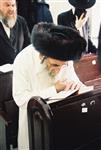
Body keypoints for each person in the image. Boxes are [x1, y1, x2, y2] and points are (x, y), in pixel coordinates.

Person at [13, 22, 93, 150]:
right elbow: (20, 98)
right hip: (34, 123)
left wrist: (80, 88)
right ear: (42, 56)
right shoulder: (23, 60)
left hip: (61, 118)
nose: (59, 70)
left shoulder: (64, 56)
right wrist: (54, 89)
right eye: (55, 65)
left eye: (64, 65)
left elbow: (73, 79)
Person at [0, 0, 30, 66]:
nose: (11, 9)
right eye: (7, 5)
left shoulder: (21, 21)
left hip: (19, 70)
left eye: (13, 5)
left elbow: (28, 47)